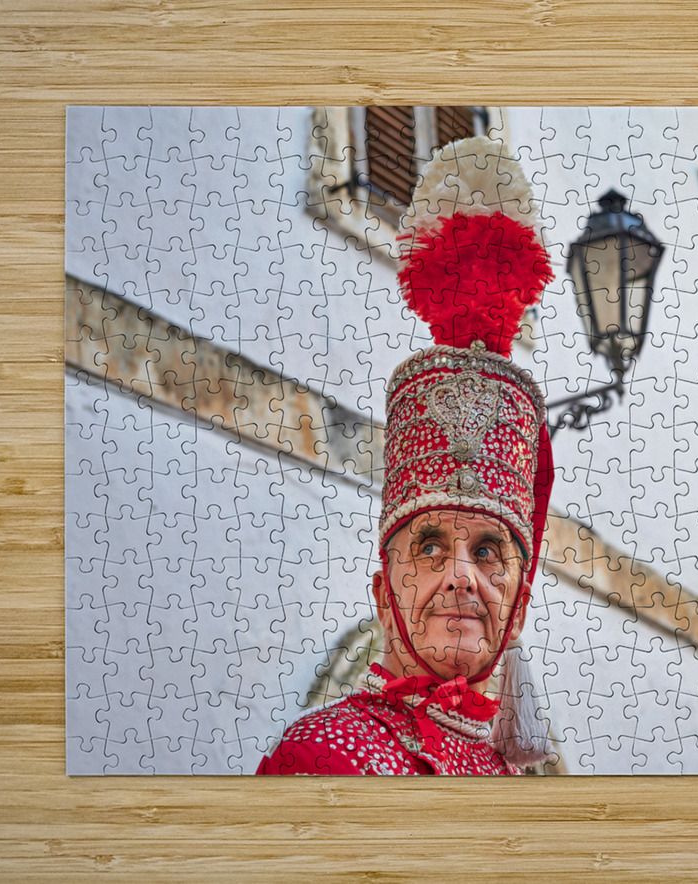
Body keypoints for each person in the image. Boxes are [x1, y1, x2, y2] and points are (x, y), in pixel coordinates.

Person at [257, 135, 555, 775]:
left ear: (521, 604)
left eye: (485, 551)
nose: (459, 578)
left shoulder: (517, 780)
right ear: (382, 588)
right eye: (427, 546)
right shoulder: (317, 756)